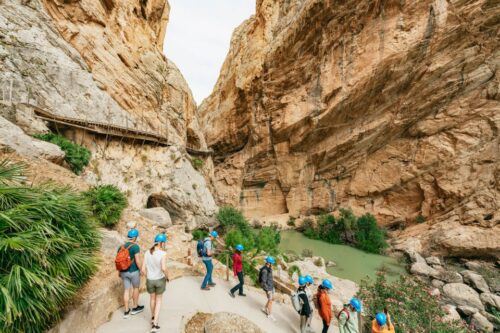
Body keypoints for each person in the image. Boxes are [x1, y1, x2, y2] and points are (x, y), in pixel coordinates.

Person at [142, 233, 170, 333]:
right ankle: (155, 324)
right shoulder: (163, 254)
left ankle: (153, 317)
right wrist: (167, 277)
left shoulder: (147, 252)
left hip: (150, 280)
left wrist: (148, 277)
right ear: (161, 243)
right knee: (158, 301)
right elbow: (163, 268)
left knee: (152, 299)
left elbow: (143, 269)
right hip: (159, 280)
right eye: (164, 242)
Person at [118, 228, 144, 318]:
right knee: (135, 288)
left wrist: (119, 272)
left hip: (123, 272)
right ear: (135, 237)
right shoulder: (135, 247)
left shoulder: (121, 247)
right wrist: (141, 269)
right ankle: (135, 307)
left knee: (126, 290)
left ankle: (126, 311)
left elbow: (118, 261)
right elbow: (137, 260)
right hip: (134, 272)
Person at [260, 256, 276, 321]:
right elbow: (263, 282)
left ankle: (265, 308)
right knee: (270, 301)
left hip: (271, 286)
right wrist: (268, 290)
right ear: (269, 263)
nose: (273, 264)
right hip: (268, 288)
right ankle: (269, 314)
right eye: (272, 263)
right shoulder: (265, 270)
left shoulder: (269, 268)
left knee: (270, 300)